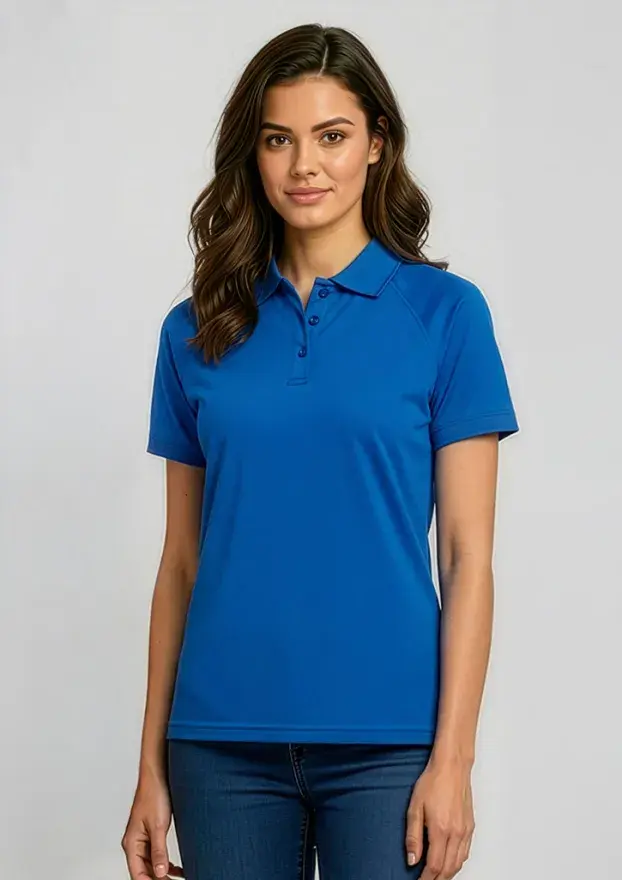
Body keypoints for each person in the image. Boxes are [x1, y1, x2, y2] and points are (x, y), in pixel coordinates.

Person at [121, 22, 519, 880]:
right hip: (219, 746)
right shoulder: (196, 330)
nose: (305, 165)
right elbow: (181, 561)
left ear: (377, 143)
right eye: (279, 140)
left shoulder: (445, 315)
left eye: (331, 136)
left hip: (389, 743)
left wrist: (453, 761)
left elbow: (466, 557)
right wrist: (150, 767)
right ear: (254, 154)